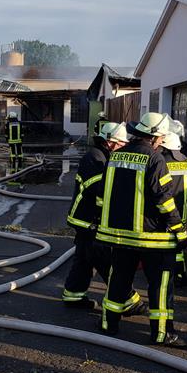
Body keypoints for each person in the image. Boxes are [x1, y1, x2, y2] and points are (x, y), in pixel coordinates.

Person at [95, 112, 187, 347]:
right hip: (152, 237)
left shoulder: (116, 155)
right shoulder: (154, 158)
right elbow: (164, 199)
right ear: (156, 136)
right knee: (160, 286)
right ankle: (162, 334)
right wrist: (179, 230)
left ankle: (109, 324)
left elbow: (104, 192)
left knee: (118, 279)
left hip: (119, 235)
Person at [62, 122, 128, 309]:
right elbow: (97, 189)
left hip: (90, 219)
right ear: (110, 142)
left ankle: (73, 296)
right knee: (102, 259)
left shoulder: (103, 156)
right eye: (121, 143)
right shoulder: (95, 157)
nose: (123, 146)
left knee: (84, 259)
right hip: (86, 219)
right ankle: (126, 298)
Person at [159, 129, 187, 288]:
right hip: (181, 209)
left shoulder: (161, 162)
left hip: (166, 210)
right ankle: (180, 274)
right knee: (179, 242)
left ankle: (166, 274)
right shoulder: (184, 161)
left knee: (164, 243)